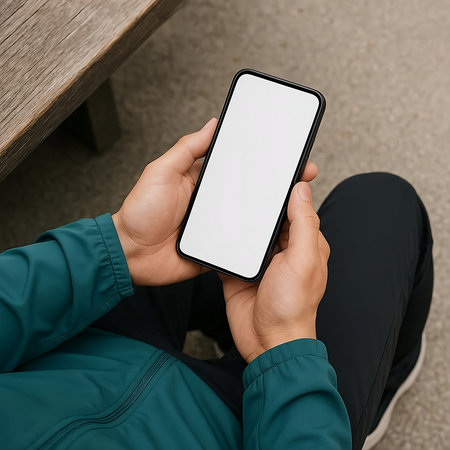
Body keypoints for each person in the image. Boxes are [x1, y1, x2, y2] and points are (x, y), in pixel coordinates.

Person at [0, 118, 432, 450]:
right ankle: (379, 389)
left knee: (216, 234)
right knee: (381, 203)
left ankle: (240, 338)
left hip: (71, 353)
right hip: (232, 432)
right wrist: (284, 345)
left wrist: (122, 245)